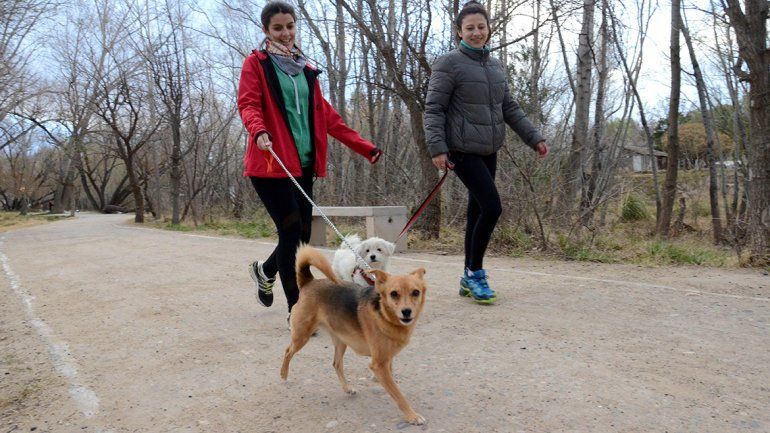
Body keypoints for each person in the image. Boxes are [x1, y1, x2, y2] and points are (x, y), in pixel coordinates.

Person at [237, 1, 382, 322]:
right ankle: (298, 310)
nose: (285, 33)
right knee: (291, 234)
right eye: (277, 28)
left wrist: (365, 147)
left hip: (302, 165)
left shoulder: (306, 69)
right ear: (266, 31)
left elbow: (329, 119)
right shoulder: (256, 64)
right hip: (271, 163)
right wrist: (258, 130)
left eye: (290, 26)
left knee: (301, 236)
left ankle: (266, 270)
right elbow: (248, 104)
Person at [424, 1, 548, 304]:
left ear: (489, 28)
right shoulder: (449, 63)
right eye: (470, 28)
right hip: (461, 149)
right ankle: (475, 273)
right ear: (459, 32)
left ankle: (468, 275)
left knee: (477, 210)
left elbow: (509, 108)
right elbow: (434, 108)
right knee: (492, 207)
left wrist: (534, 138)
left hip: (489, 149)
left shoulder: (495, 66)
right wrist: (438, 148)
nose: (477, 32)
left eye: (481, 26)